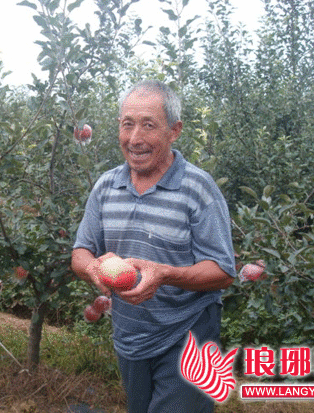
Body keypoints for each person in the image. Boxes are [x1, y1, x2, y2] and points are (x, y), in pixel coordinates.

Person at [71, 79, 237, 413]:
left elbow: (223, 271)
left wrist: (164, 274)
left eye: (148, 125)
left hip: (188, 334)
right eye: (127, 124)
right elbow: (81, 252)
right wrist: (93, 268)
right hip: (130, 338)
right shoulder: (106, 187)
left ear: (174, 131)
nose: (135, 138)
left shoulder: (198, 188)